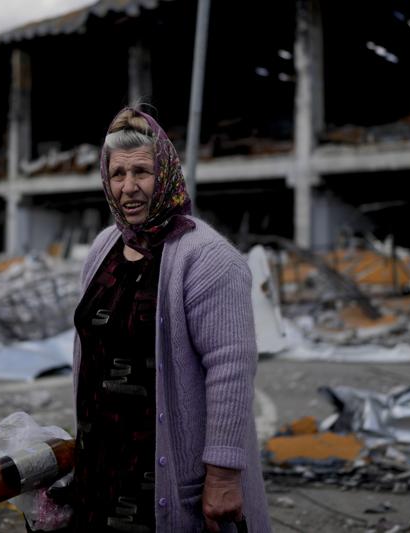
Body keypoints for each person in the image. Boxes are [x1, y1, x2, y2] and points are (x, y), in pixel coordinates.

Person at [67, 106, 271, 532]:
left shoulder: (208, 258)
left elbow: (231, 368)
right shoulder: (105, 245)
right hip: (102, 466)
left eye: (141, 171)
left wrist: (223, 475)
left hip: (165, 474)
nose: (128, 188)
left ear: (167, 173)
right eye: (118, 174)